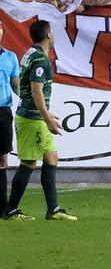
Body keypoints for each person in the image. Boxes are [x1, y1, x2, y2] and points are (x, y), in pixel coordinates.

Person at [2, 18, 70, 221]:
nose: (54, 36)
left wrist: (47, 115)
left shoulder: (31, 53)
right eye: (53, 32)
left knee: (51, 158)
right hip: (32, 119)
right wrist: (47, 118)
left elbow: (25, 87)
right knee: (29, 163)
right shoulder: (41, 60)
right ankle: (11, 210)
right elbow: (36, 90)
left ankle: (53, 209)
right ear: (48, 35)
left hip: (36, 117)